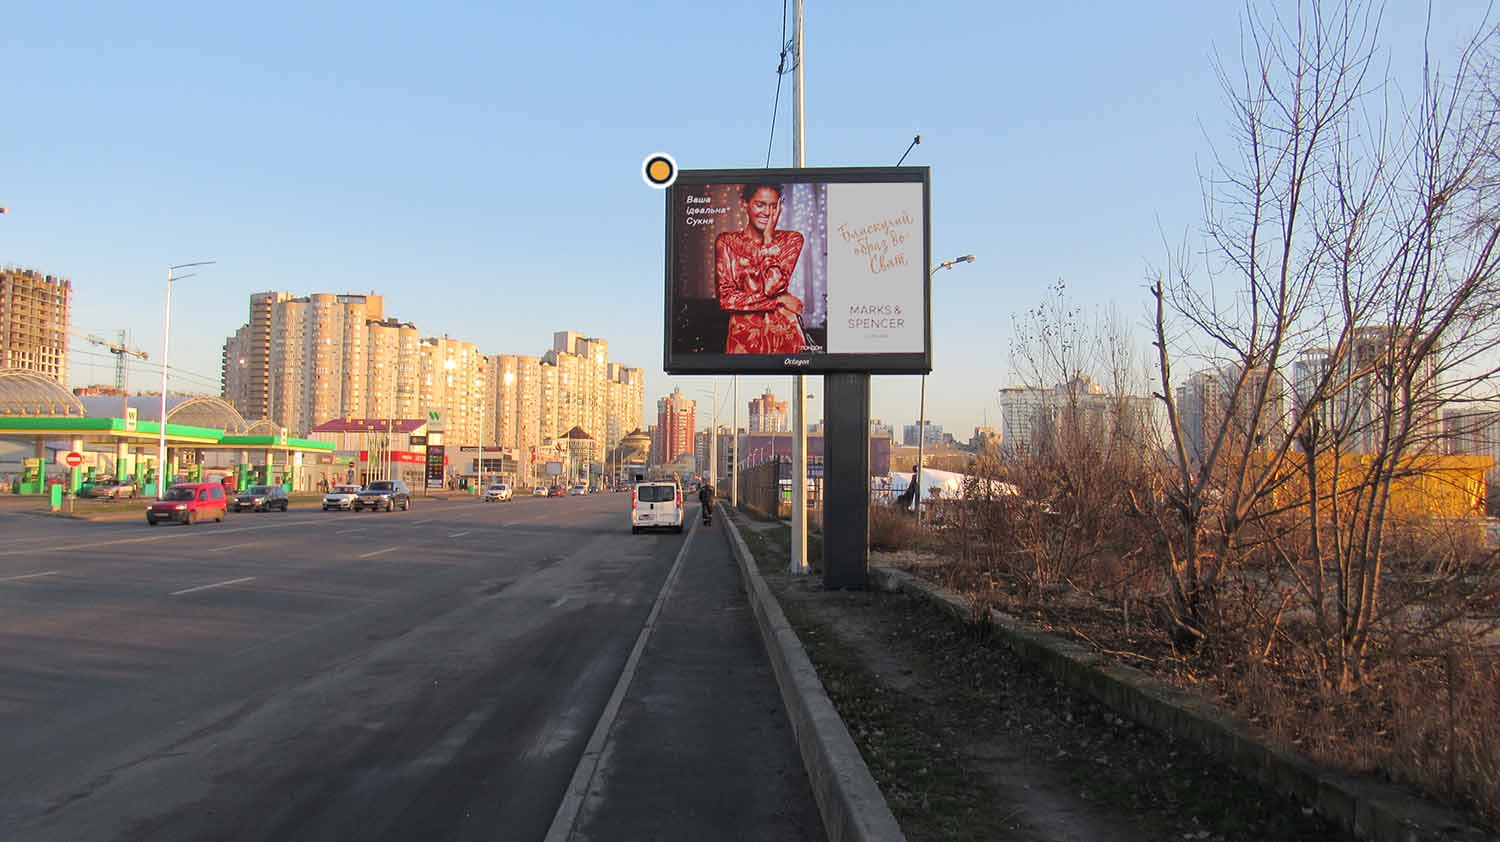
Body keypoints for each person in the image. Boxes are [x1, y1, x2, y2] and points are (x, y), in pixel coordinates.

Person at [715, 183, 806, 354]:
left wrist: (768, 239)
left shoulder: (791, 239)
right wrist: (779, 301)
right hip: (743, 339)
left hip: (785, 335)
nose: (767, 212)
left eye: (773, 206)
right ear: (745, 204)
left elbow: (772, 286)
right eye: (760, 205)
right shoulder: (727, 242)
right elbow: (726, 299)